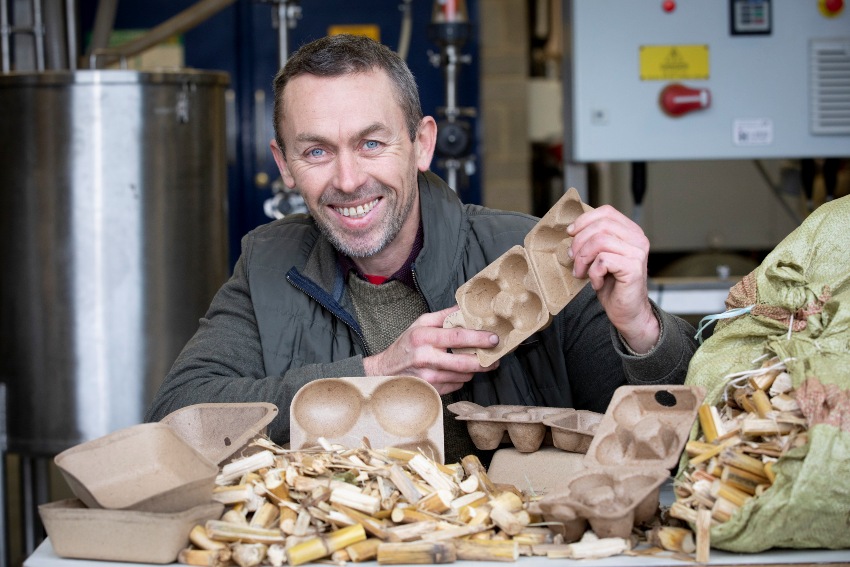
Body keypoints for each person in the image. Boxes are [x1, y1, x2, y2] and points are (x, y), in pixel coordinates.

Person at [146, 34, 698, 464]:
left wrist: (639, 329)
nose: (348, 178)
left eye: (371, 143)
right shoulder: (266, 265)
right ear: (284, 164)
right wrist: (373, 373)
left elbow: (672, 444)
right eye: (316, 151)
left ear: (422, 143)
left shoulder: (528, 256)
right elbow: (180, 417)